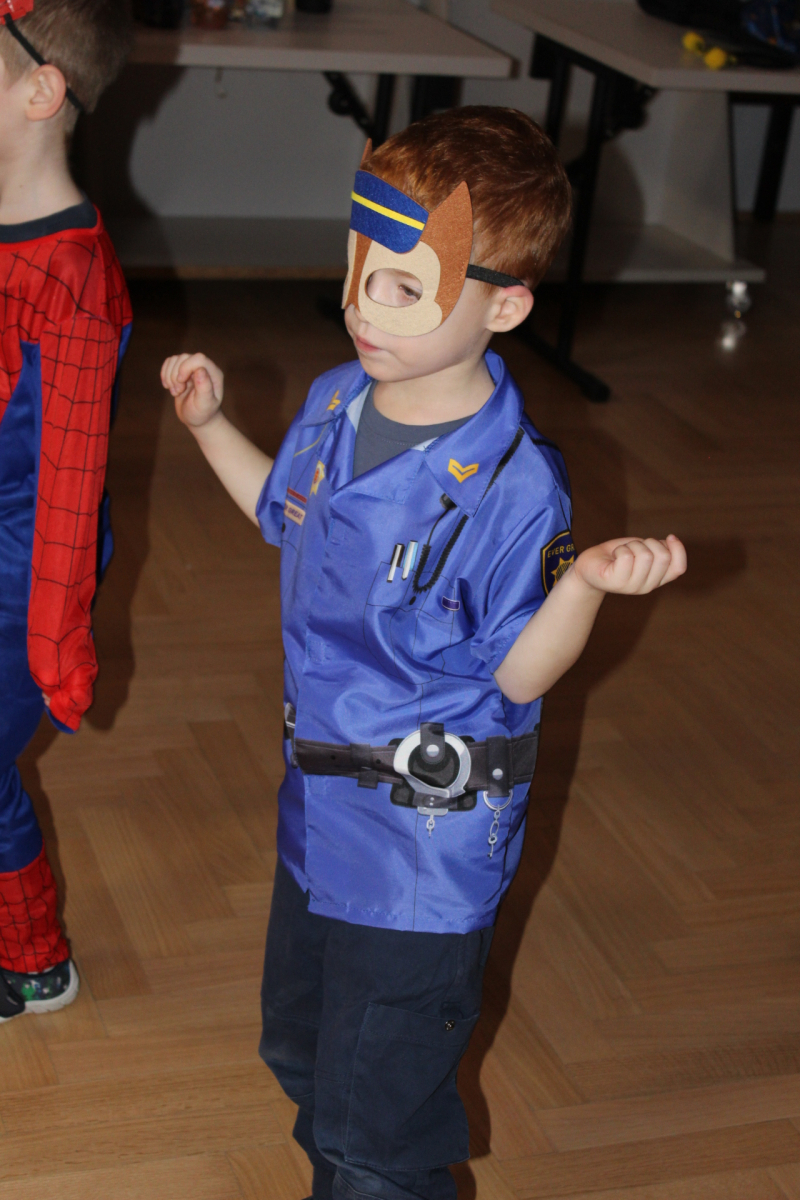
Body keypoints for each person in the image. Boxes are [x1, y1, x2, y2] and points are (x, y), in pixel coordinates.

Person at [161, 108, 687, 1200]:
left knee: (378, 1125)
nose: (361, 305)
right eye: (358, 270)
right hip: (318, 813)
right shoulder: (335, 402)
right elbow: (285, 515)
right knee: (301, 1050)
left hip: (420, 855)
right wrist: (211, 425)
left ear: (505, 305)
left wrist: (583, 587)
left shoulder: (515, 488)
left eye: (403, 287)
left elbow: (519, 676)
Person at [0, 0, 132, 1020]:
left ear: (40, 92)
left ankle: (35, 958)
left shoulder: (76, 282)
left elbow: (68, 493)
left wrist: (56, 642)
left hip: (16, 580)